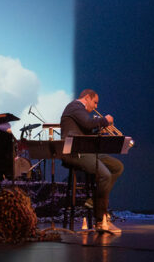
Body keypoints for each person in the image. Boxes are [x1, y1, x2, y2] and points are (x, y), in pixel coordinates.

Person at [60, 89, 124, 234]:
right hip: (74, 153)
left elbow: (87, 131)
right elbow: (88, 123)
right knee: (105, 175)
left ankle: (94, 200)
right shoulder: (74, 106)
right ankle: (101, 220)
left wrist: (101, 132)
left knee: (117, 167)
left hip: (86, 150)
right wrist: (105, 120)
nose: (95, 106)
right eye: (95, 102)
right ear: (87, 98)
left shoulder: (81, 112)